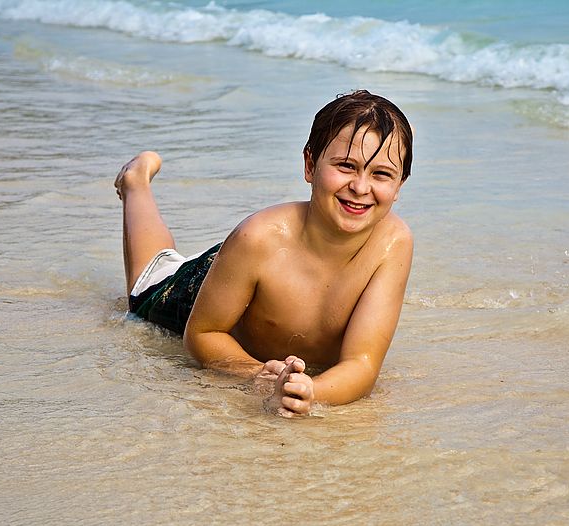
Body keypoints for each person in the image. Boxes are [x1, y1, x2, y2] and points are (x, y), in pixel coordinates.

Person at [115, 90, 414, 417]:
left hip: (247, 271)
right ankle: (136, 184)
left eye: (381, 174)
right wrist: (253, 372)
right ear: (311, 165)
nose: (360, 187)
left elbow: (362, 363)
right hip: (208, 283)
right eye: (345, 166)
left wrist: (311, 391)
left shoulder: (392, 243)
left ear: (399, 186)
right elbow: (202, 334)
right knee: (151, 275)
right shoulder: (258, 237)